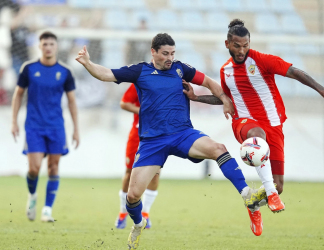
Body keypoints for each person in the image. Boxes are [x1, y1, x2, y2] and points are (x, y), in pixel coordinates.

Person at [76, 33, 264, 249]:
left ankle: (247, 195)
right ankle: (138, 224)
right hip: (152, 142)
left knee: (218, 148)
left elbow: (209, 82)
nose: (169, 58)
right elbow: (106, 74)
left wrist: (224, 99)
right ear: (153, 52)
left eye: (172, 53)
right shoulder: (140, 71)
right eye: (165, 53)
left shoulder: (180, 69)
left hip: (182, 133)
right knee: (133, 196)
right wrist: (88, 63)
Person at [183, 19, 324, 236]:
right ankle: (270, 193)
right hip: (244, 123)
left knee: (279, 185)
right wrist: (196, 97)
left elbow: (295, 72)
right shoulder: (226, 71)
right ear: (227, 44)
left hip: (274, 125)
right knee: (256, 137)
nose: (241, 51)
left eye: (245, 45)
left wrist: (322, 90)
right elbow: (226, 99)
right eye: (237, 46)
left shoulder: (262, 61)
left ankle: (255, 203)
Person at [11, 31, 79, 222]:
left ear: (56, 46)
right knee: (33, 169)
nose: (48, 47)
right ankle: (32, 196)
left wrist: (76, 129)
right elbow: (18, 95)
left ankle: (47, 209)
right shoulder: (29, 68)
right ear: (39, 46)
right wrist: (13, 121)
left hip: (56, 127)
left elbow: (72, 102)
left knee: (53, 168)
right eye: (45, 44)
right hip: (34, 126)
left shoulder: (65, 72)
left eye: (51, 44)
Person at [115, 84, 159, 230]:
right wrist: (143, 111)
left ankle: (145, 213)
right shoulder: (141, 82)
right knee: (129, 173)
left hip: (159, 135)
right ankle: (123, 213)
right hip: (138, 133)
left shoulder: (170, 81)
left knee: (155, 173)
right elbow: (124, 103)